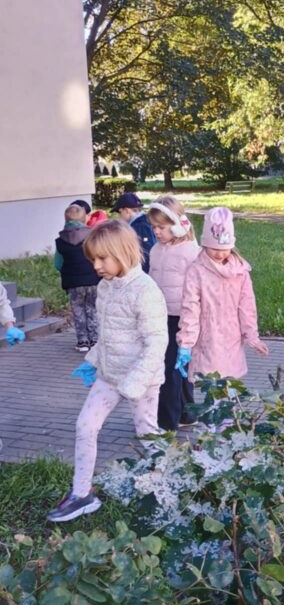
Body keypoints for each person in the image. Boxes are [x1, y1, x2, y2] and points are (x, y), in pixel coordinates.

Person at [47, 220, 168, 523]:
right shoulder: (105, 287)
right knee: (85, 425)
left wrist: (135, 383)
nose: (96, 266)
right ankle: (82, 493)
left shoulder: (145, 291)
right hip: (109, 375)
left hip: (142, 380)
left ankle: (172, 484)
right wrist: (92, 361)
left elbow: (157, 343)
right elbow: (108, 335)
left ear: (123, 253)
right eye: (93, 259)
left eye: (102, 258)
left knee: (148, 433)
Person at [175, 207, 268, 382]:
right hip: (208, 339)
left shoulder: (240, 271)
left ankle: (229, 400)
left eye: (224, 248)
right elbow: (190, 309)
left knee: (231, 385)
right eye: (213, 248)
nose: (219, 253)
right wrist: (186, 342)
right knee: (213, 385)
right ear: (204, 245)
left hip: (232, 339)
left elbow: (247, 306)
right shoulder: (197, 271)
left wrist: (252, 336)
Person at [148, 196, 200, 430]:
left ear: (178, 225)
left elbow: (198, 287)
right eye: (154, 227)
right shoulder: (155, 250)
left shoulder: (191, 251)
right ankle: (186, 414)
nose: (156, 231)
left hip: (183, 317)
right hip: (160, 315)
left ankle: (166, 421)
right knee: (172, 366)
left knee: (173, 367)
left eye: (161, 227)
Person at [54, 202, 100, 352]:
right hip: (93, 280)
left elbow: (58, 264)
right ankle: (95, 339)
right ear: (84, 219)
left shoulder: (60, 241)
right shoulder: (92, 237)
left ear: (66, 220)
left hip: (73, 282)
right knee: (93, 308)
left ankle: (82, 341)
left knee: (78, 310)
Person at [111, 192, 155, 272]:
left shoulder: (138, 227)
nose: (119, 217)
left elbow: (145, 253)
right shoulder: (146, 221)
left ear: (127, 210)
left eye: (120, 213)